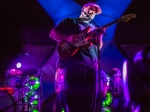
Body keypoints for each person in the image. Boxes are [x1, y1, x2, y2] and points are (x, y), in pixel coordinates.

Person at [50, 2, 108, 112]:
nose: (92, 12)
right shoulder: (70, 21)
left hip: (91, 66)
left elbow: (98, 48)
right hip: (75, 63)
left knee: (89, 99)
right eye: (90, 9)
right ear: (83, 9)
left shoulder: (94, 28)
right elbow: (53, 33)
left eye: (94, 12)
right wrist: (68, 37)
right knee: (75, 97)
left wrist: (99, 37)